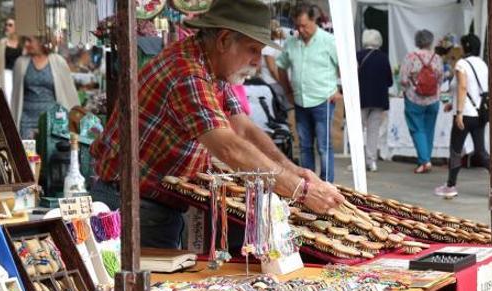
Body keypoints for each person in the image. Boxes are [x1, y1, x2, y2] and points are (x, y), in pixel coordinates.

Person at [91, 0, 343, 249]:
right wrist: (301, 191)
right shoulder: (188, 73)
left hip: (153, 204)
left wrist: (294, 171)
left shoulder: (213, 68)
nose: (257, 61)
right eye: (253, 49)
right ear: (223, 41)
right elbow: (229, 148)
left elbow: (243, 129)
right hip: (132, 205)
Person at [277, 3, 341, 183]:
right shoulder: (292, 42)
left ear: (315, 21)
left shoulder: (329, 41)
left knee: (323, 146)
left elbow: (346, 67)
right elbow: (281, 66)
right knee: (304, 146)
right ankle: (309, 184)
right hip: (300, 101)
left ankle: (327, 183)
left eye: (304, 25)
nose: (300, 29)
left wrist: (339, 90)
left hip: (323, 100)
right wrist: (288, 90)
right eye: (297, 25)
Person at [435, 33, 489, 199]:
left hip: (465, 113)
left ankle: (451, 186)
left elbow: (462, 87)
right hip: (480, 112)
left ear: (465, 46)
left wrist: (458, 112)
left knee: (456, 149)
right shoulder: (482, 64)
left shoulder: (461, 64)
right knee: (480, 151)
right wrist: (452, 103)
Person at [11, 34, 80, 139]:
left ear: (41, 42)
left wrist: (75, 117)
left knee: (50, 153)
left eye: (30, 41)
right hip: (26, 121)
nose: (26, 44)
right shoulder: (20, 63)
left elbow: (69, 92)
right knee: (27, 153)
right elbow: (15, 96)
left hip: (52, 120)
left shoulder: (58, 61)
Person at [399, 29, 443, 174]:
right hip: (433, 100)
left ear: (417, 41)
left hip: (414, 98)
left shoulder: (411, 57)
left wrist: (409, 86)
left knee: (417, 129)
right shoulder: (437, 58)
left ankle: (424, 161)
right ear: (431, 41)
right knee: (429, 130)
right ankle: (425, 159)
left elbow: (403, 80)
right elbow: (440, 79)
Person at [356, 29, 392, 173]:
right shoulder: (384, 58)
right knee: (373, 131)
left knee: (358, 131)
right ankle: (372, 162)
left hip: (361, 98)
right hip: (378, 99)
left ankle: (358, 161)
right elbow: (389, 81)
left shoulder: (358, 56)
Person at [0, 18, 21, 98]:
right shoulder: (3, 42)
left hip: (19, 75)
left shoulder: (22, 43)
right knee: (8, 98)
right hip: (7, 74)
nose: (7, 27)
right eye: (6, 25)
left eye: (10, 25)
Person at [260, 20, 285, 88]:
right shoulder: (285, 44)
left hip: (270, 83)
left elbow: (272, 69)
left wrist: (283, 84)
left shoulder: (268, 47)